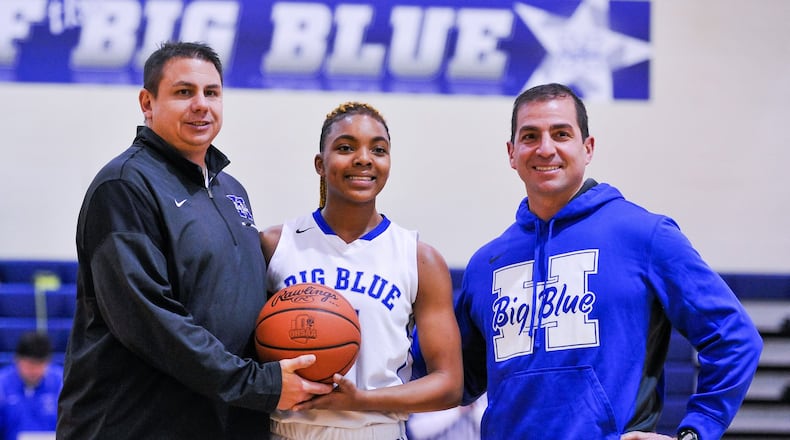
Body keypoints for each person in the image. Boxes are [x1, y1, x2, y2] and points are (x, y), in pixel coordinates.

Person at [453, 83, 763, 440]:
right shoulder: (486, 265)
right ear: (511, 153)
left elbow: (735, 338)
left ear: (587, 148)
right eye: (530, 136)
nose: (546, 148)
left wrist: (695, 433)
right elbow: (456, 379)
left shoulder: (645, 236)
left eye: (561, 134)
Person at [57, 41, 332, 439]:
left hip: (225, 422)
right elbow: (151, 321)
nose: (201, 104)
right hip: (134, 425)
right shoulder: (124, 186)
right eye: (184, 92)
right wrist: (259, 384)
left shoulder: (231, 190)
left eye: (212, 92)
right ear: (147, 103)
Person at [259, 101, 463, 439]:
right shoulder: (274, 246)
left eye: (378, 149)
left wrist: (359, 401)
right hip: (287, 431)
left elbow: (449, 384)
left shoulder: (418, 258)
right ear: (320, 164)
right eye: (345, 147)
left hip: (375, 430)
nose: (364, 158)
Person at [0, 332, 62, 440]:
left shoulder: (61, 382)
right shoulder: (2, 385)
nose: (35, 370)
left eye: (40, 364)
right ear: (17, 360)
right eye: (29, 364)